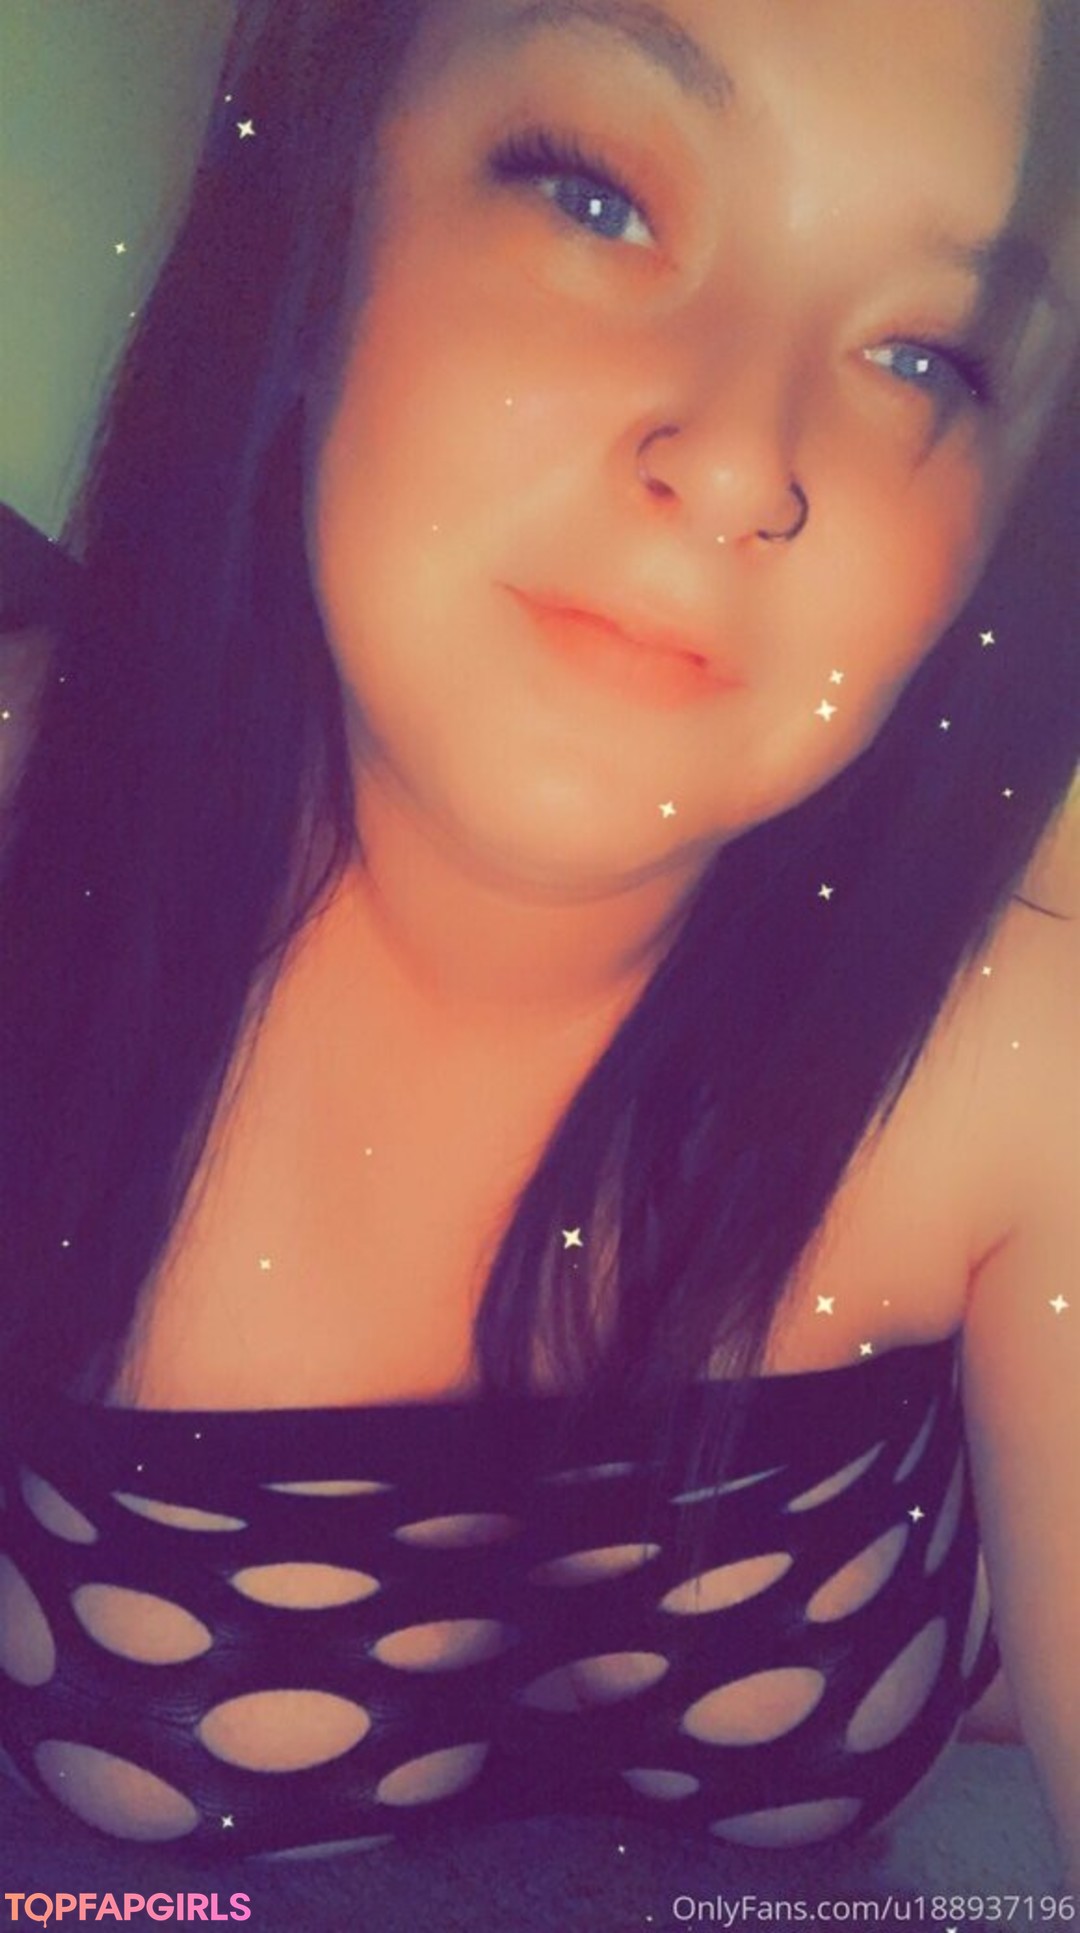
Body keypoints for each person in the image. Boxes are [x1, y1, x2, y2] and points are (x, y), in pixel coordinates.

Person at [0, 0, 1077, 1888]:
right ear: (328, 197)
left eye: (926, 353)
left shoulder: (1019, 1042)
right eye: (597, 197)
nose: (742, 458)